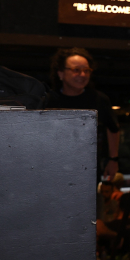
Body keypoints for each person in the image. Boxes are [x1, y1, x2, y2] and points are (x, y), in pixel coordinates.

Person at [44, 47, 120, 179]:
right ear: (61, 73)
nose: (83, 75)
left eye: (86, 71)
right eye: (76, 70)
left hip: (88, 169)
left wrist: (113, 159)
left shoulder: (99, 99)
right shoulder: (48, 100)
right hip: (53, 168)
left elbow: (113, 128)